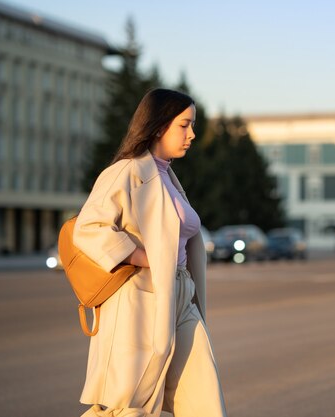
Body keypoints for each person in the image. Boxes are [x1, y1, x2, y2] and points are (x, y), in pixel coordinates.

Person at [73, 88, 227, 417]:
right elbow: (87, 228)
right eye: (184, 125)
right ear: (159, 126)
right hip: (140, 301)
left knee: (204, 400)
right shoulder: (125, 172)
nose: (192, 134)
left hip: (182, 298)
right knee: (130, 406)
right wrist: (147, 258)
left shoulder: (167, 175)